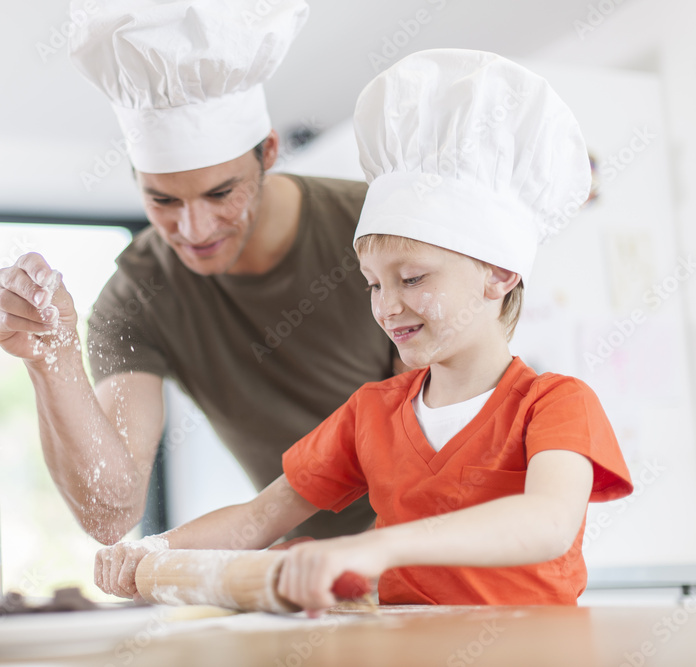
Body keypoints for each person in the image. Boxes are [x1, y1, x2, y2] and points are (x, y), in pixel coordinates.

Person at [93, 48, 634, 610]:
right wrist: (150, 551)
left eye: (413, 278)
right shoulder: (371, 413)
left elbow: (545, 521)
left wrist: (376, 550)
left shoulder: (555, 405)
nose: (389, 307)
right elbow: (260, 518)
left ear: (498, 275)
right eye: (374, 284)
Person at [0, 0, 395, 545]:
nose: (194, 228)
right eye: (162, 200)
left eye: (221, 193)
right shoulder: (136, 298)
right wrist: (50, 359)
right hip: (303, 570)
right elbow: (111, 513)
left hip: (429, 548)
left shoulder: (378, 230)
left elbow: (444, 436)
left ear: (269, 152)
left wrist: (367, 555)